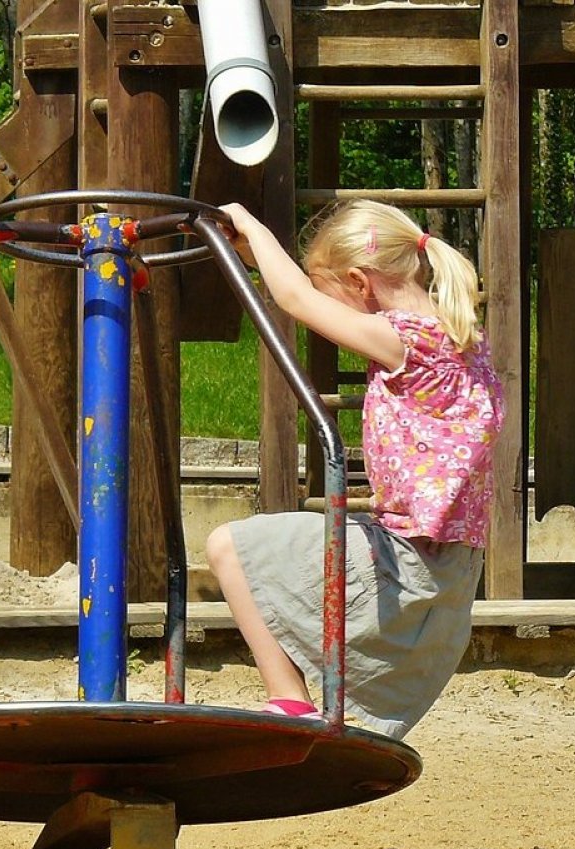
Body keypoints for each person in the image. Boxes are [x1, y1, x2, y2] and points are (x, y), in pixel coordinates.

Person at [206, 199, 503, 740]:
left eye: (331, 293)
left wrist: (252, 224)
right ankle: (304, 706)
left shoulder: (404, 341)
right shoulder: (461, 340)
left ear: (359, 283)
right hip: (452, 568)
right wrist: (255, 255)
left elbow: (293, 298)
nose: (328, 312)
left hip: (406, 562)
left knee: (229, 547)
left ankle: (288, 701)